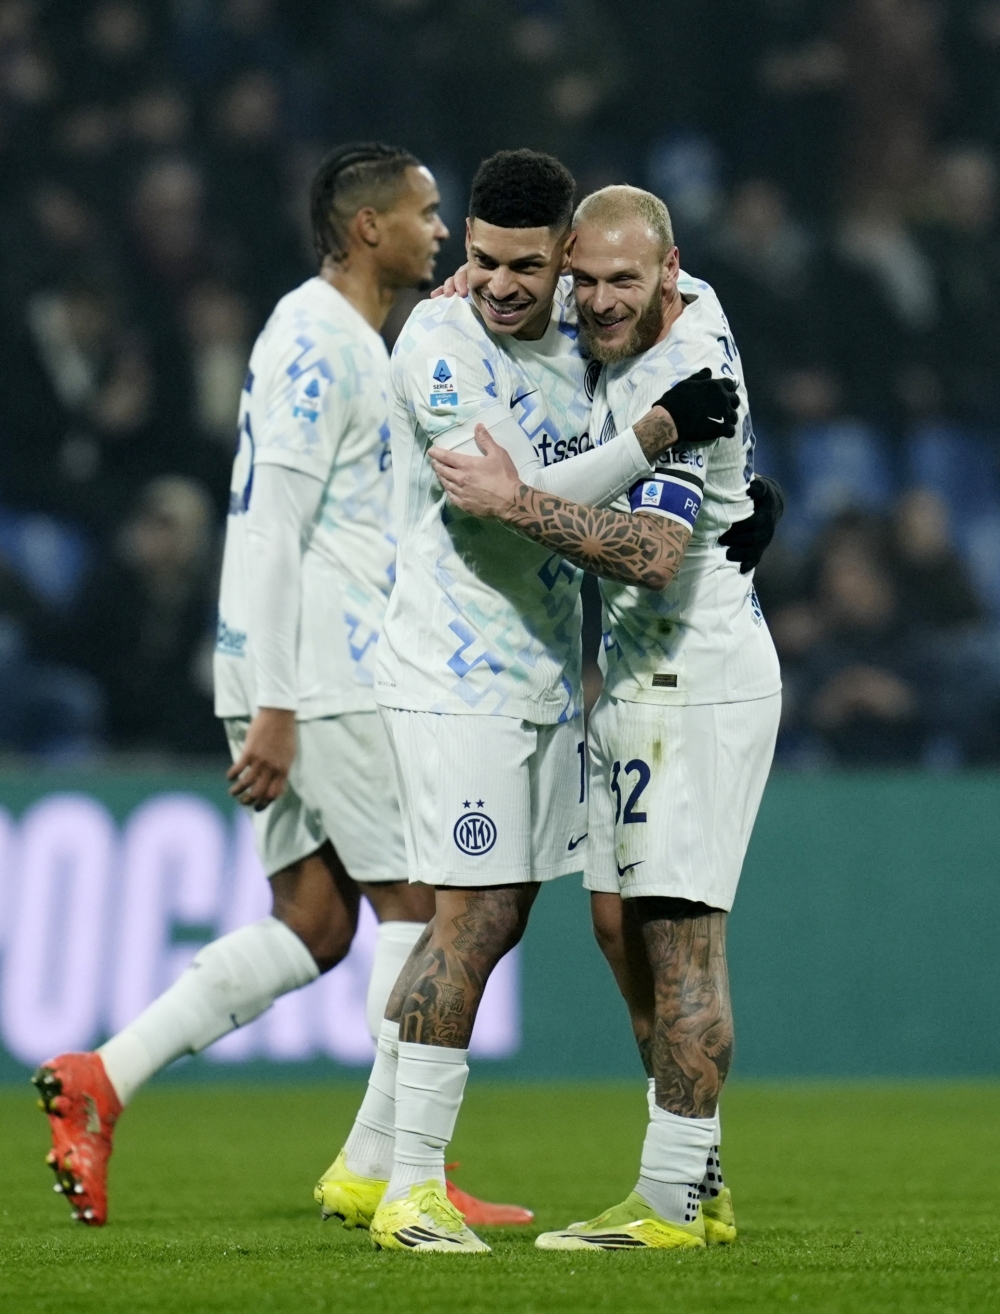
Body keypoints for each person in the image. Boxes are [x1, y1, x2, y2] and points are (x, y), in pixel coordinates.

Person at [32, 142, 524, 1230]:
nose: (440, 232)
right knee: (425, 904)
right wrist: (278, 702)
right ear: (365, 228)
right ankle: (400, 1173)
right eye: (425, 214)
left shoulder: (351, 338)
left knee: (313, 923)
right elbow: (270, 521)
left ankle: (100, 1080)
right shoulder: (312, 337)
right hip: (322, 669)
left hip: (305, 667)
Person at [319, 148, 752, 1256]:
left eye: (527, 265)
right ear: (458, 251)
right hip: (450, 677)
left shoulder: (588, 321)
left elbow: (663, 303)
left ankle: (679, 1187)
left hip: (555, 684)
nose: (503, 285)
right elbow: (499, 503)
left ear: (564, 259)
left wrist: (725, 470)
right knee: (472, 918)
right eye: (480, 261)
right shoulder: (438, 342)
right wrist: (652, 439)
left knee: (575, 923)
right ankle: (409, 1188)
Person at [431, 184, 782, 1251]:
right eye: (581, 279)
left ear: (667, 274)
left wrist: (513, 504)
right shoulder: (674, 307)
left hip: (695, 683)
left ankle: (671, 1201)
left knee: (681, 942)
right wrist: (473, 289)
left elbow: (651, 552)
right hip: (634, 680)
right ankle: (701, 1179)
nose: (595, 301)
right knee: (618, 928)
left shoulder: (682, 369)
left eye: (622, 281)